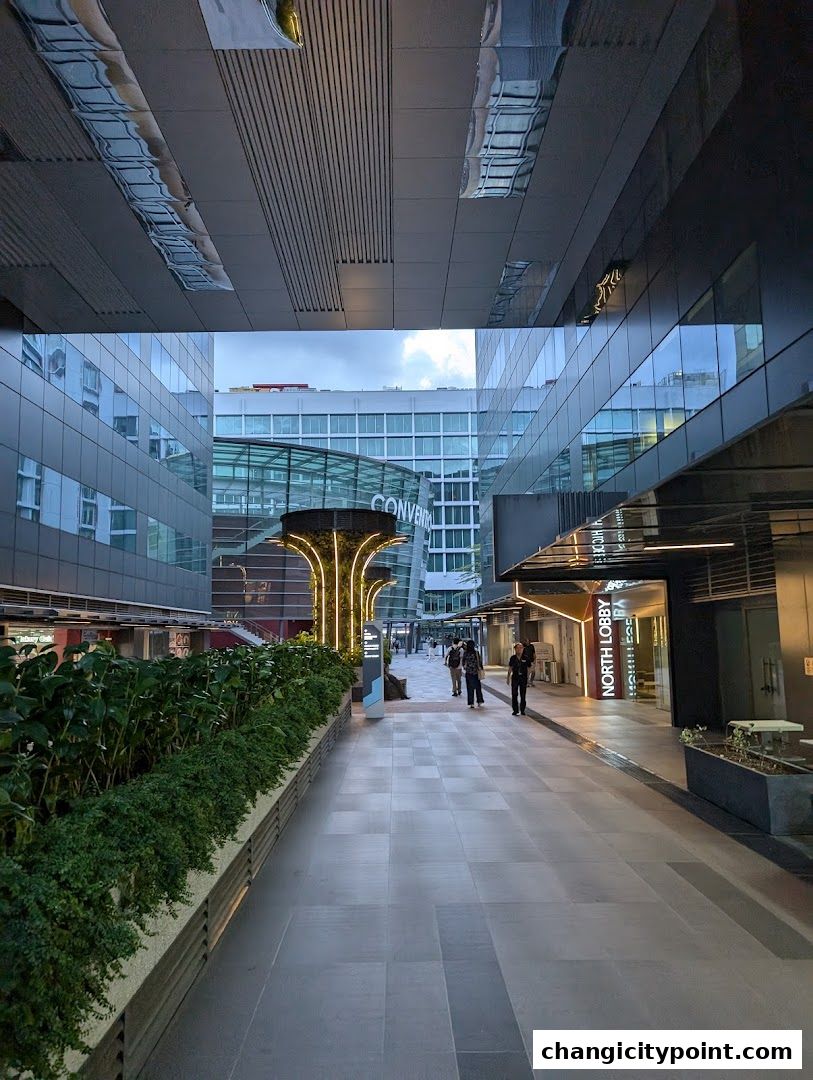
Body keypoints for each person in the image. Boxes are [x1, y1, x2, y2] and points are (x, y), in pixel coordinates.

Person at [507, 641, 530, 715]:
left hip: (523, 678)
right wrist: (508, 677)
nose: (519, 649)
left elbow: (529, 668)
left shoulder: (526, 658)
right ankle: (515, 710)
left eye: (521, 648)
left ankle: (522, 710)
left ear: (523, 649)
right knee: (514, 694)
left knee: (523, 695)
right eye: (518, 648)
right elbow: (510, 667)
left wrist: (528, 677)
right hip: (515, 678)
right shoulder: (513, 658)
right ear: (515, 649)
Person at [462, 638, 485, 708]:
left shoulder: (466, 653)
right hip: (476, 672)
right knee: (478, 687)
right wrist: (481, 669)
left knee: (469, 688)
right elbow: (480, 662)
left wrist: (465, 667)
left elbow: (463, 662)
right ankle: (479, 701)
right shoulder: (476, 653)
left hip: (468, 673)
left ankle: (471, 702)